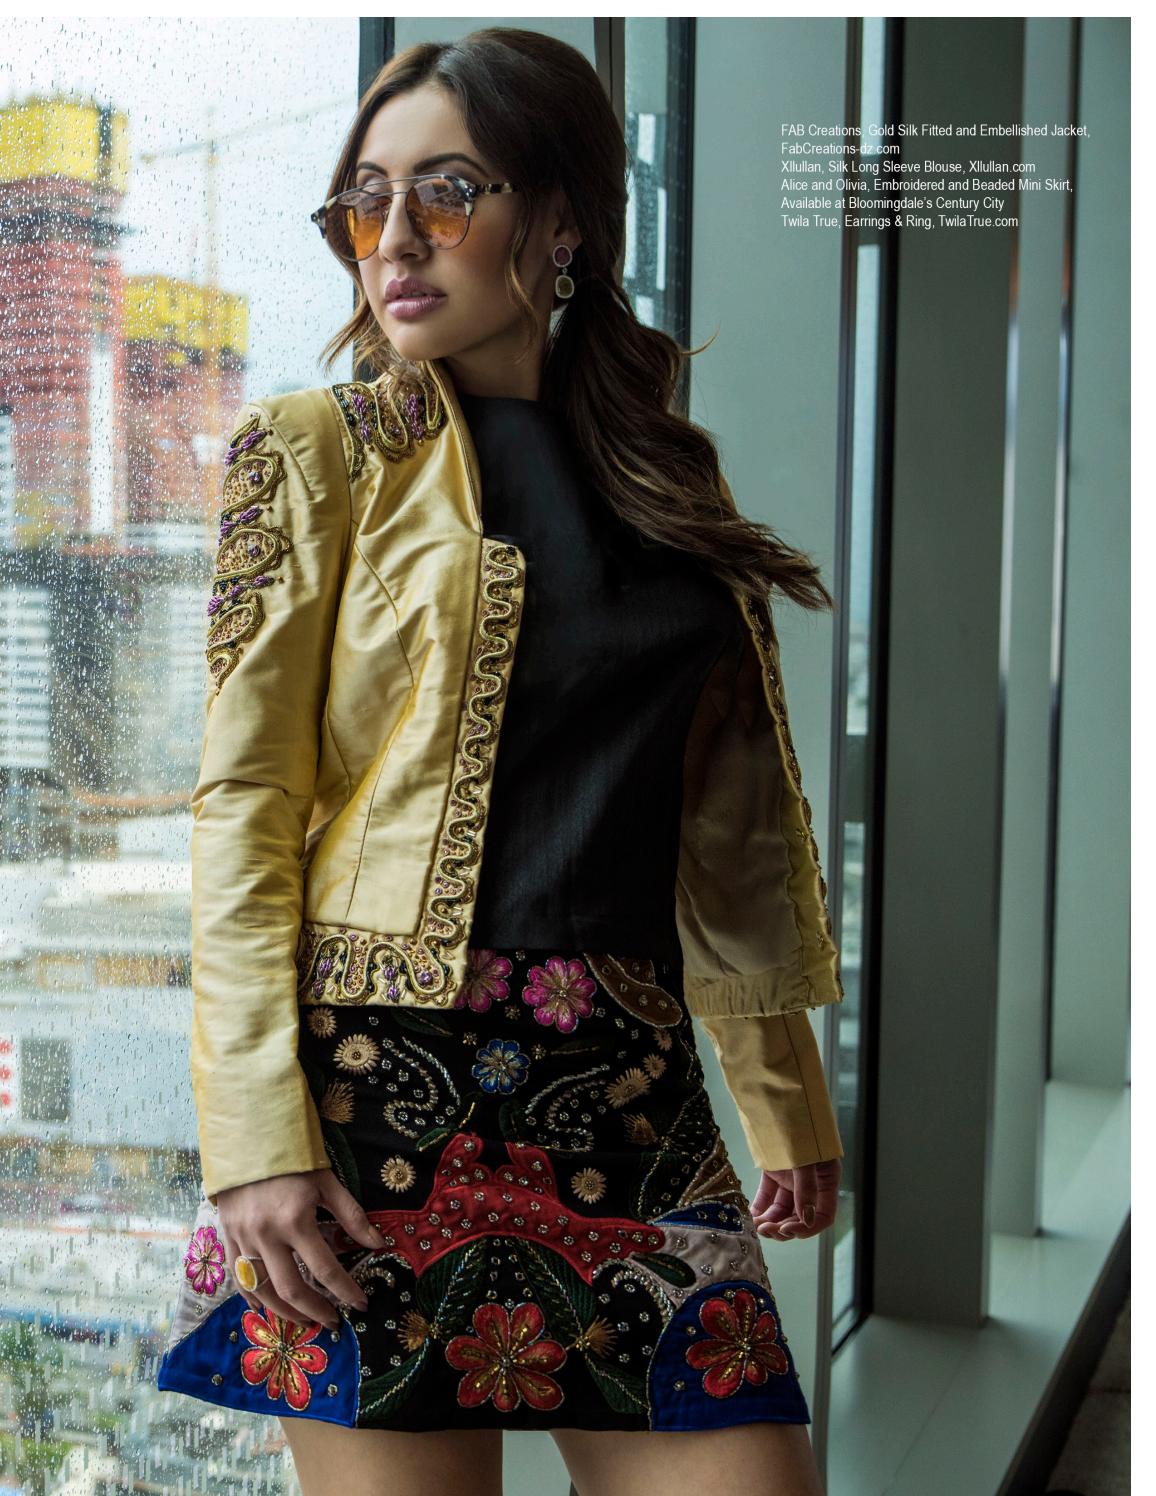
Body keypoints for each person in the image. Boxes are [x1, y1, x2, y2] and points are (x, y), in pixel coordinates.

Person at [157, 28, 844, 1496]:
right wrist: (253, 1139)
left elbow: (721, 830)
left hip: (630, 1088)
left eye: (449, 191)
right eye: (365, 201)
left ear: (563, 219)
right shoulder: (314, 453)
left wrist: (780, 1090)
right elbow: (246, 808)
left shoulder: (670, 474)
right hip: (369, 1107)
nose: (395, 239)